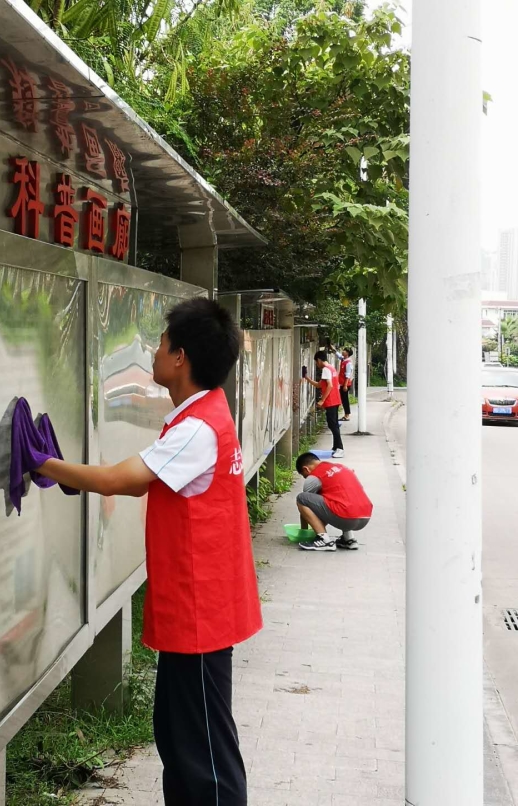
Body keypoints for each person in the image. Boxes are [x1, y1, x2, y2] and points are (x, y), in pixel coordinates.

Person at [34, 298, 263, 806]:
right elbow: (137, 484)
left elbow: (121, 480)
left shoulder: (198, 429)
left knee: (203, 754)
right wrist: (63, 471)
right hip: (197, 610)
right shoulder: (204, 415)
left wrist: (43, 463)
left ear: (180, 357)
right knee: (180, 739)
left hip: (200, 615)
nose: (155, 352)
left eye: (161, 344)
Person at [294, 451, 373, 551]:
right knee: (338, 498)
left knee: (302, 498)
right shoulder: (341, 467)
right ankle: (348, 539)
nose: (305, 478)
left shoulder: (313, 477)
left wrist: (304, 532)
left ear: (306, 469)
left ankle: (324, 540)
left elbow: (306, 504)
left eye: (304, 475)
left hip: (346, 517)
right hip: (365, 515)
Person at [304, 350, 344, 458]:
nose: (317, 365)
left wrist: (322, 399)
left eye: (316, 362)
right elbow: (319, 385)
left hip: (330, 401)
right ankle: (336, 446)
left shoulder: (326, 369)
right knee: (334, 424)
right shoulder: (331, 368)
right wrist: (307, 378)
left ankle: (340, 448)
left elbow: (329, 386)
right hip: (336, 400)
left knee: (333, 425)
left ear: (319, 360)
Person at [336, 346, 354, 422]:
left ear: (347, 353)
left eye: (344, 351)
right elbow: (339, 356)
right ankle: (346, 414)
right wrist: (333, 349)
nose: (343, 351)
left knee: (345, 400)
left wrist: (345, 385)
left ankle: (347, 415)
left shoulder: (348, 363)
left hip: (345, 384)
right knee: (343, 399)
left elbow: (348, 375)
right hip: (342, 383)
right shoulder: (344, 359)